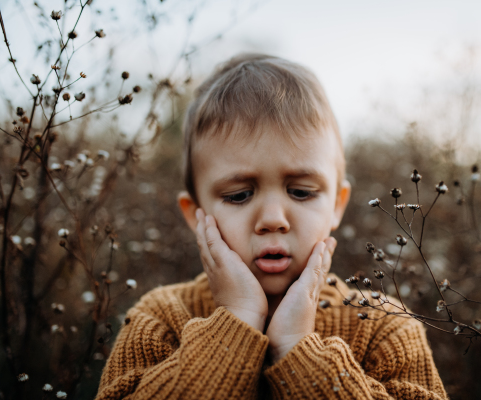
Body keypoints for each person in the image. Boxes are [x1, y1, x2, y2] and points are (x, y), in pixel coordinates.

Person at [95, 53, 448, 400]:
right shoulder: (160, 318)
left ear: (337, 205)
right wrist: (235, 323)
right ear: (195, 214)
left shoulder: (384, 326)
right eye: (238, 195)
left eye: (301, 192)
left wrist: (298, 351)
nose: (273, 220)